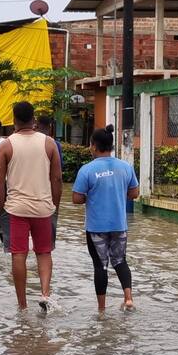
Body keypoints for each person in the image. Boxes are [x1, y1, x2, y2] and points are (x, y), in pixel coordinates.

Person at [0, 100, 62, 313]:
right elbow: (57, 179)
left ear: (13, 120)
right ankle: (44, 294)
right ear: (34, 119)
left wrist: (2, 207)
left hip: (16, 210)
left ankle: (22, 305)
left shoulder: (6, 145)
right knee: (44, 253)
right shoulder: (49, 143)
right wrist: (54, 205)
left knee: (19, 255)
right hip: (43, 208)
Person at [72, 124, 139, 311]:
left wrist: (92, 196)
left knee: (100, 266)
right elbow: (135, 193)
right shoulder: (125, 167)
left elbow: (76, 198)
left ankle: (101, 310)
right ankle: (128, 298)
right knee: (120, 261)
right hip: (119, 225)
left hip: (96, 228)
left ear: (93, 146)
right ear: (110, 145)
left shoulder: (86, 170)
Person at [36, 115, 64, 246]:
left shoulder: (31, 142)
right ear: (50, 126)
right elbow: (58, 176)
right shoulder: (55, 145)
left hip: (30, 192)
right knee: (47, 236)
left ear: (37, 124)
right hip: (48, 194)